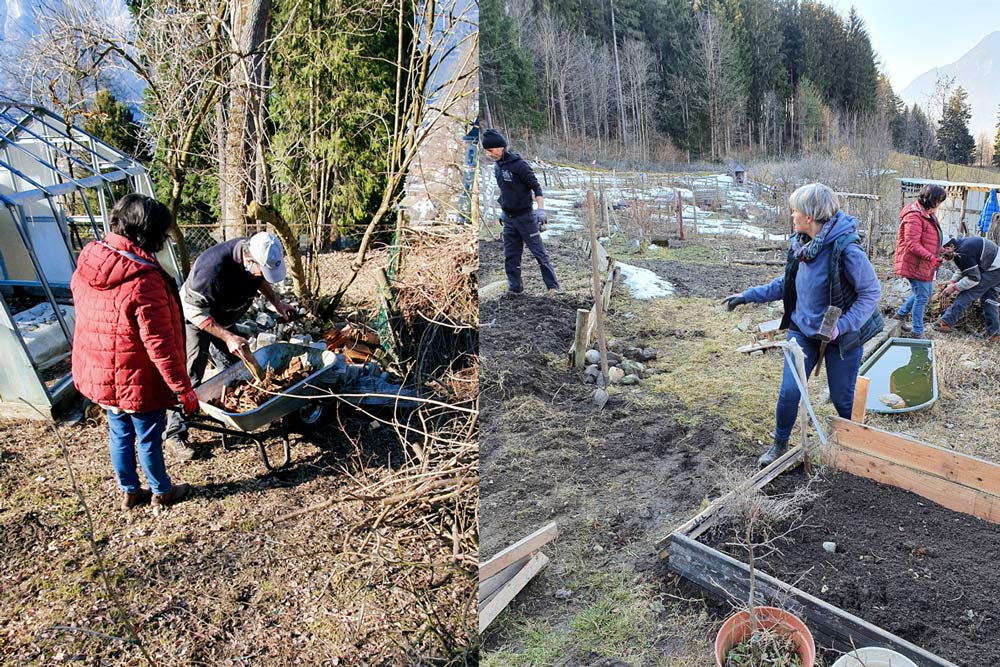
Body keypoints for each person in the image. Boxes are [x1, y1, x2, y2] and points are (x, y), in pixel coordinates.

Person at [723, 183, 882, 467]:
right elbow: (787, 283)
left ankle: (852, 449)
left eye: (794, 210)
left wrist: (842, 325)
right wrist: (748, 295)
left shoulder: (846, 248)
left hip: (841, 336)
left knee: (842, 398)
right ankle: (779, 444)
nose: (791, 215)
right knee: (790, 392)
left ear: (809, 216)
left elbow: (871, 293)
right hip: (803, 331)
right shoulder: (801, 244)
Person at [70, 194, 196, 510]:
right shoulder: (145, 280)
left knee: (120, 434)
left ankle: (129, 490)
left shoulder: (90, 259)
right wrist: (183, 389)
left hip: (100, 372)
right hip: (136, 377)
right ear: (148, 234)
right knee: (148, 437)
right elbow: (161, 346)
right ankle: (162, 491)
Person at [164, 232, 297, 458]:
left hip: (224, 318)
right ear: (248, 261)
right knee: (191, 374)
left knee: (235, 368)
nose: (261, 275)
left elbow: (260, 278)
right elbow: (193, 310)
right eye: (261, 270)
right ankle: (174, 434)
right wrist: (227, 337)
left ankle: (233, 418)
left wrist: (276, 302)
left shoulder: (254, 256)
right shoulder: (211, 269)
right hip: (196, 319)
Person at [481, 128, 561, 294]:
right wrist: (503, 208)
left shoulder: (519, 165)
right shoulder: (497, 167)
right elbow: (506, 190)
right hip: (509, 219)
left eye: (491, 150)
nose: (488, 154)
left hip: (525, 217)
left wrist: (541, 210)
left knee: (540, 254)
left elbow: (536, 187)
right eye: (486, 151)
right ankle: (515, 288)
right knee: (511, 256)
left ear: (501, 147)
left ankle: (553, 288)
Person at [893, 184, 948, 338]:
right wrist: (931, 257)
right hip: (913, 263)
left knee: (924, 293)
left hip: (923, 264)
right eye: (939, 200)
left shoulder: (929, 214)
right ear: (931, 199)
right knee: (922, 296)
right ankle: (917, 331)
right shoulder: (914, 216)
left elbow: (929, 240)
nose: (939, 204)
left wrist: (941, 250)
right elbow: (911, 243)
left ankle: (901, 314)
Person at [933, 235, 1000, 341]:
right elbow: (964, 269)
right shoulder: (960, 247)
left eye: (943, 253)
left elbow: (974, 278)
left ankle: (945, 322)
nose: (943, 257)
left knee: (967, 294)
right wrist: (952, 281)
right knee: (989, 301)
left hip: (994, 269)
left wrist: (954, 287)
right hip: (996, 267)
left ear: (950, 246)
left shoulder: (964, 252)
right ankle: (994, 334)